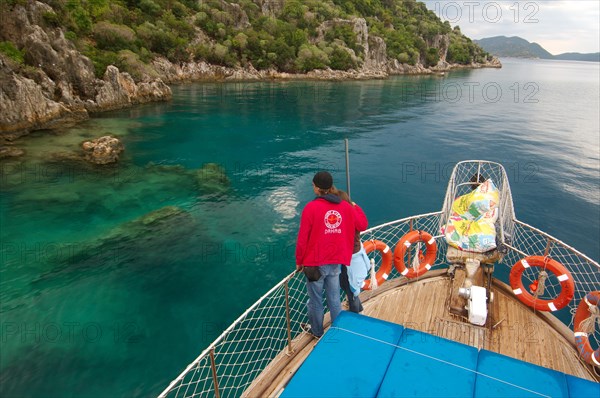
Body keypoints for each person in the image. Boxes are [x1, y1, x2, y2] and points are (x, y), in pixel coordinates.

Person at [295, 171, 368, 338]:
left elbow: (302, 239)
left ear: (317, 188)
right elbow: (361, 224)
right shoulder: (345, 207)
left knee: (315, 301)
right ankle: (338, 330)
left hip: (315, 263)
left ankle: (317, 332)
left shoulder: (311, 208)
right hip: (336, 261)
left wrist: (299, 261)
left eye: (313, 185)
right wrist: (354, 206)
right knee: (334, 299)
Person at [336, 190, 369, 313]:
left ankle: (356, 314)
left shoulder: (342, 219)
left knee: (348, 288)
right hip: (356, 254)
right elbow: (363, 224)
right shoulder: (354, 215)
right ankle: (358, 308)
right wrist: (355, 206)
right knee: (351, 289)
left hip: (347, 259)